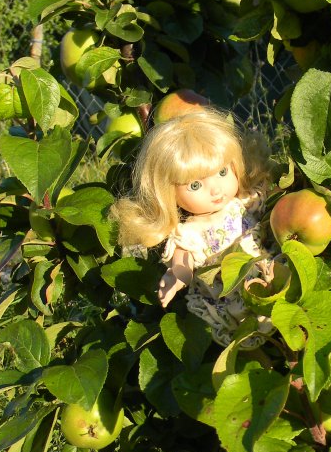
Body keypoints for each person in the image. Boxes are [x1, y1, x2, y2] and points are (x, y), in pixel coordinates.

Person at [113, 106, 274, 346]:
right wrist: (177, 275)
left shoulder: (244, 203)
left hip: (268, 280)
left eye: (222, 172)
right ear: (168, 193)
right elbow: (183, 260)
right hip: (231, 300)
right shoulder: (190, 232)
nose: (216, 190)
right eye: (195, 186)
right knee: (247, 339)